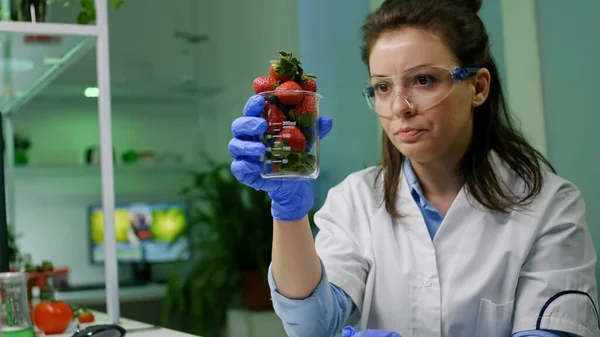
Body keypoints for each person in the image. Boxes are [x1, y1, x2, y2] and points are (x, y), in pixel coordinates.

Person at [227, 0, 600, 336]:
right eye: (383, 87)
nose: (400, 106)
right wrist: (289, 213)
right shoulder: (354, 201)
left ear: (479, 87)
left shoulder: (551, 206)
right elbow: (312, 325)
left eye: (423, 80)